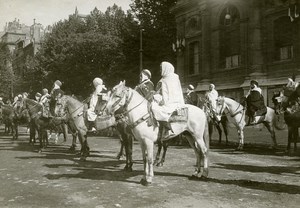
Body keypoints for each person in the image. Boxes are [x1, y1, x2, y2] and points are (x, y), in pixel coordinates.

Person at [151, 61, 185, 137]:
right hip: (169, 101)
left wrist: (160, 99)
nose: (160, 70)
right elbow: (161, 92)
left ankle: (169, 129)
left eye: (161, 68)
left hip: (171, 103)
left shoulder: (168, 79)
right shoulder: (167, 78)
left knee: (154, 108)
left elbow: (171, 94)